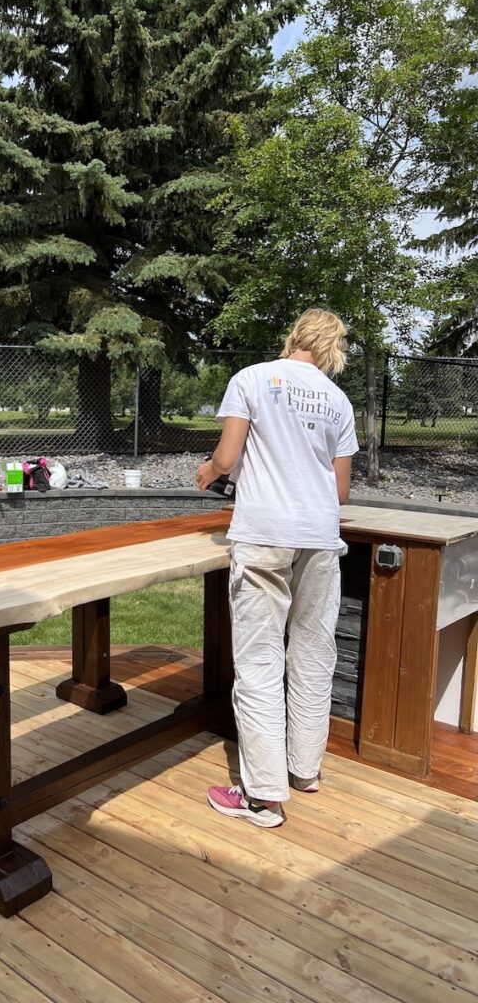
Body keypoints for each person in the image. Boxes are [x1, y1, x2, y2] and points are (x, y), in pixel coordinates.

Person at [196, 308, 358, 828]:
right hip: (319, 536)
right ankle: (304, 770)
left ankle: (262, 798)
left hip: (265, 534)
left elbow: (226, 458)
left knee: (260, 661)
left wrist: (209, 471)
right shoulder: (338, 401)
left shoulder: (252, 379)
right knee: (313, 653)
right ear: (334, 349)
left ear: (293, 336)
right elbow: (340, 491)